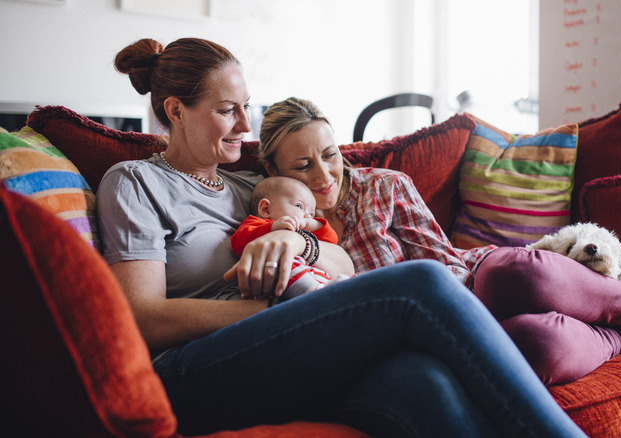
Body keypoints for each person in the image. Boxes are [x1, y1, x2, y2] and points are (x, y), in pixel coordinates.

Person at [97, 37, 589, 437]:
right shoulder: (134, 182)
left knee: (426, 383)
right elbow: (143, 318)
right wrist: (280, 309)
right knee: (420, 284)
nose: (246, 126)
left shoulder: (253, 185)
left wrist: (297, 243)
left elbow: (344, 262)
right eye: (229, 110)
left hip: (287, 345)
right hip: (192, 370)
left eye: (247, 107)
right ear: (176, 111)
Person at [257, 96, 621, 386]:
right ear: (274, 172)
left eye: (330, 155)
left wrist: (464, 309)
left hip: (466, 282)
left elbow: (442, 261)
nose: (324, 176)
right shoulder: (274, 225)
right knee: (539, 345)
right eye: (302, 167)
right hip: (421, 332)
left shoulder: (383, 185)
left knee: (516, 273)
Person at [231, 175, 348, 303]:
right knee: (284, 261)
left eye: (311, 213)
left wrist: (314, 224)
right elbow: (239, 243)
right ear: (265, 209)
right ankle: (314, 292)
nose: (307, 216)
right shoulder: (255, 224)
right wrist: (272, 228)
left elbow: (332, 240)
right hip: (271, 284)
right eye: (299, 206)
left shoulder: (304, 230)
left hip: (314, 278)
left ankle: (332, 288)